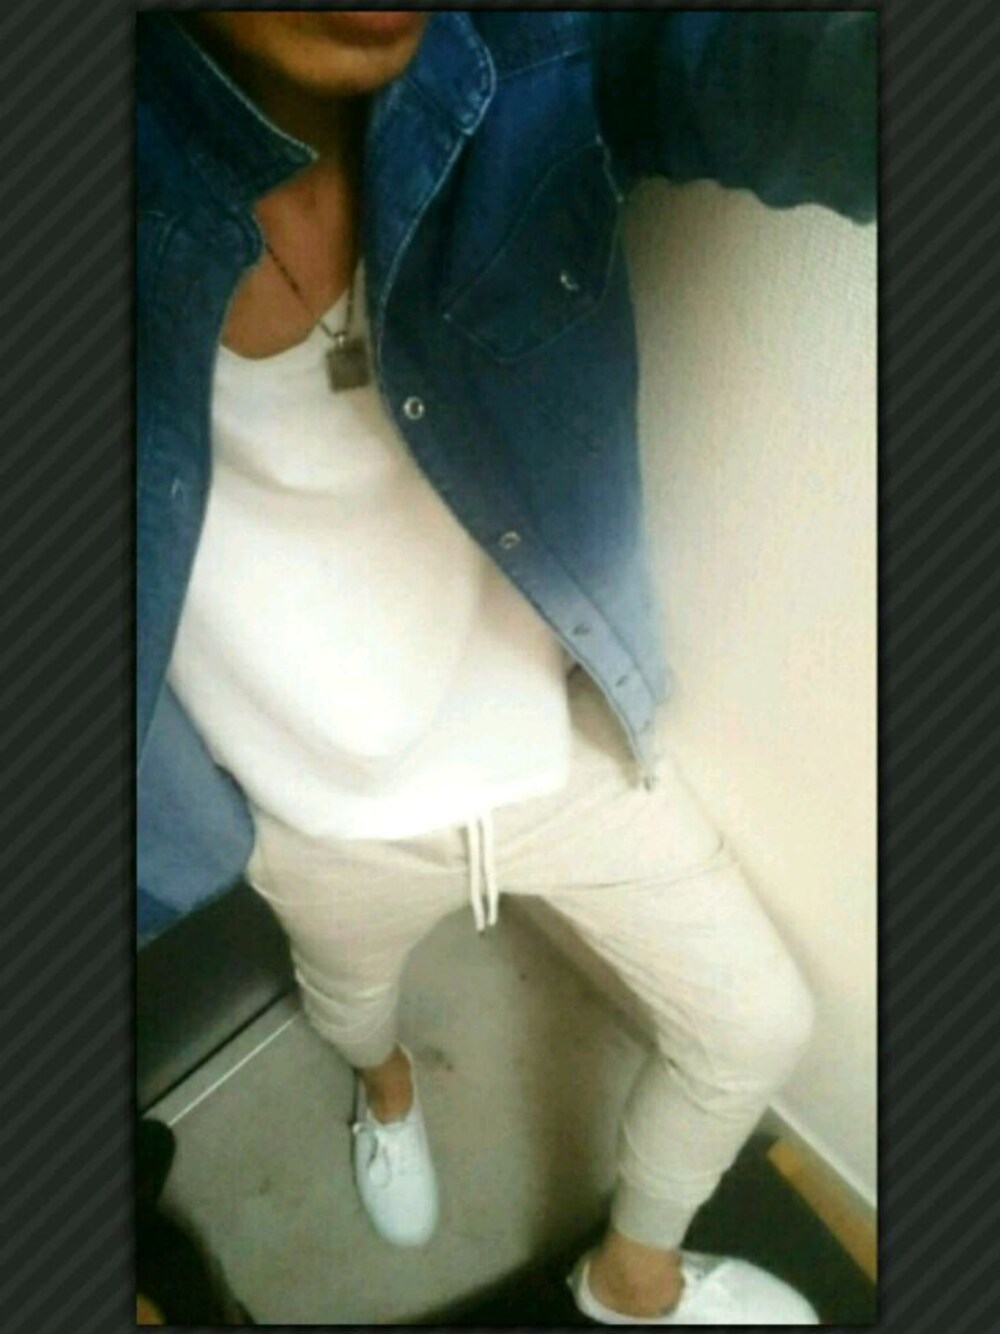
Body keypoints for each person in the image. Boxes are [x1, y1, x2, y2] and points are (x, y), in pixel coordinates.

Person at [137, 9, 876, 1324]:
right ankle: (387, 1090)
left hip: (552, 753)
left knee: (757, 1022)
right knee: (353, 1009)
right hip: (317, 821)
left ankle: (632, 1279)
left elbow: (788, 65)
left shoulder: (536, 46)